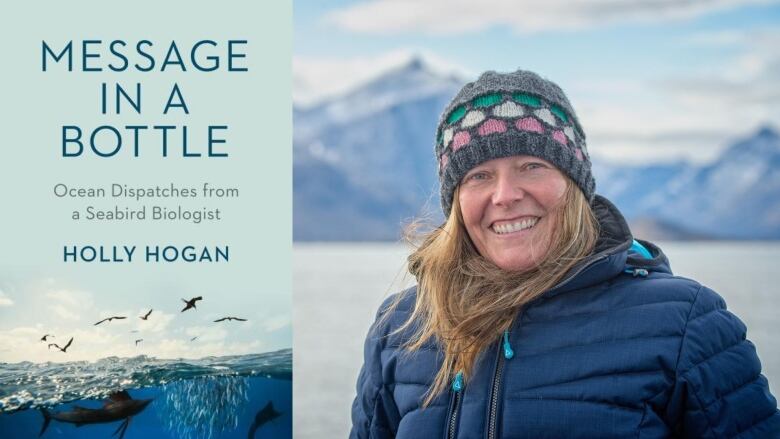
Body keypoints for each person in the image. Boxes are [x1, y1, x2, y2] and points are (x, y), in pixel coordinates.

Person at [349, 69, 780, 438]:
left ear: (573, 185)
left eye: (531, 166)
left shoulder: (685, 323)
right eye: (479, 175)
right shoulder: (401, 329)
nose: (505, 195)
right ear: (456, 202)